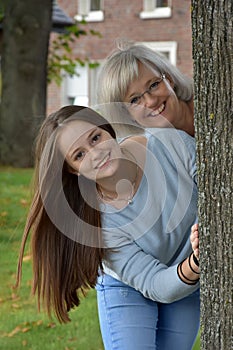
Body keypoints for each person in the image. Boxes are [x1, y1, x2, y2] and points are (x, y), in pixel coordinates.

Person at [16, 105, 200, 349]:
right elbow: (153, 281)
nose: (96, 154)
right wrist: (197, 262)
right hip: (128, 284)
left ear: (108, 131)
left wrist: (197, 255)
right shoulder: (95, 224)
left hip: (186, 275)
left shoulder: (169, 146)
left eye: (95, 138)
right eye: (79, 155)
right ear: (72, 169)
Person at [96, 40, 194, 138]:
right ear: (127, 114)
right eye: (135, 100)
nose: (151, 101)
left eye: (153, 85)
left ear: (169, 79)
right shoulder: (152, 149)